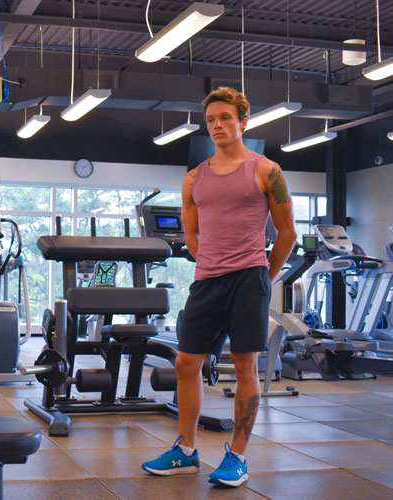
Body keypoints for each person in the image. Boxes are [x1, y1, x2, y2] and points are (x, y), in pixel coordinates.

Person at [141, 87, 296, 487]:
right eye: (211, 120)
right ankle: (186, 451)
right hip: (206, 281)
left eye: (226, 118)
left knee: (244, 365)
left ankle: (238, 457)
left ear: (243, 122)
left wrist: (266, 273)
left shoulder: (267, 171)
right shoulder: (193, 178)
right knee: (185, 363)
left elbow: (287, 232)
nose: (217, 125)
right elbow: (191, 236)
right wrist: (210, 260)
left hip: (249, 278)